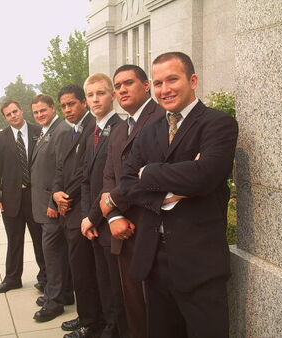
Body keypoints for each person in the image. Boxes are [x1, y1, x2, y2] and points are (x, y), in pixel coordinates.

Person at [120, 52, 238, 337]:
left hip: (199, 264)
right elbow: (126, 183)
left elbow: (204, 176)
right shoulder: (149, 132)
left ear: (193, 80)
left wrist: (148, 173)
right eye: (158, 82)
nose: (165, 89)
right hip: (154, 259)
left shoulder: (218, 124)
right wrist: (169, 195)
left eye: (173, 79)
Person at [99, 64, 165, 338]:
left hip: (152, 227)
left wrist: (112, 204)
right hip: (122, 230)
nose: (122, 89)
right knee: (134, 305)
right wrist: (113, 217)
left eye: (128, 83)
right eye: (118, 86)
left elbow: (152, 176)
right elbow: (109, 175)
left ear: (146, 85)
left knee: (157, 310)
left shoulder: (162, 118)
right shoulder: (119, 129)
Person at [52, 85, 104, 338]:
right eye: (63, 106)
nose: (67, 109)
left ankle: (91, 323)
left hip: (82, 210)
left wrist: (66, 197)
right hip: (67, 209)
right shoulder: (69, 131)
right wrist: (55, 194)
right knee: (78, 269)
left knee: (84, 271)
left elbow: (86, 171)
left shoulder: (94, 127)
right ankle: (85, 316)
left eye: (71, 104)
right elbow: (60, 168)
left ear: (84, 102)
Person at [80, 73, 128, 338]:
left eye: (101, 93)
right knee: (103, 284)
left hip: (112, 221)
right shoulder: (91, 133)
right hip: (95, 224)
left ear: (112, 95)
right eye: (91, 95)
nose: (96, 99)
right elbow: (87, 180)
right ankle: (108, 327)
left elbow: (113, 184)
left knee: (117, 286)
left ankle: (117, 331)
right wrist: (88, 218)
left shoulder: (121, 129)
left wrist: (95, 217)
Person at [0, 100, 46, 294]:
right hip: (11, 198)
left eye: (15, 111)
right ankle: (12, 279)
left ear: (22, 111)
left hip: (35, 196)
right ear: (5, 117)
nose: (13, 116)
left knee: (41, 240)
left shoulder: (40, 132)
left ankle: (45, 278)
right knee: (14, 240)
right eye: (8, 114)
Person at [29, 94, 73, 322]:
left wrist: (53, 202)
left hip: (52, 208)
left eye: (43, 110)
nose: (39, 115)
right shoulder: (46, 131)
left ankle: (53, 302)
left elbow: (62, 169)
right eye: (35, 112)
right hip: (43, 205)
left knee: (52, 254)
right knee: (56, 253)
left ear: (53, 108)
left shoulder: (62, 131)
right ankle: (63, 293)